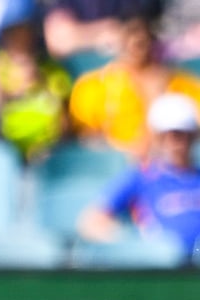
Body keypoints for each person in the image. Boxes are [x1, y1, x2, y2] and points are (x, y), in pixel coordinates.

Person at [77, 92, 200, 259]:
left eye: (180, 135)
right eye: (165, 135)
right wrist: (132, 241)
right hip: (161, 271)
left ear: (193, 136)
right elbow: (91, 222)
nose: (173, 142)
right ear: (155, 137)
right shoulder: (141, 177)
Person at [68, 14, 200, 160]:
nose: (136, 45)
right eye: (129, 38)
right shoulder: (94, 86)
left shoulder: (181, 85)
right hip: (117, 164)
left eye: (142, 41)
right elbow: (85, 137)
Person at [0, 6, 72, 161]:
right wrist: (12, 93)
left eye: (26, 32)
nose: (21, 38)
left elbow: (65, 116)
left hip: (46, 153)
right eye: (14, 33)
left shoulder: (52, 69)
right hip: (0, 147)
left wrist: (40, 82)